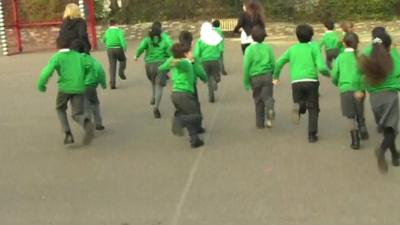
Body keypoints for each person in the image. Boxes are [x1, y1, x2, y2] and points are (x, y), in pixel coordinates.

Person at [273, 24, 329, 143]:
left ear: (297, 36)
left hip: (296, 82)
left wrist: (276, 76)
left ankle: (299, 107)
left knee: (299, 102)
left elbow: (278, 62)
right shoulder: (314, 48)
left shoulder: (292, 49)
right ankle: (312, 134)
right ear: (311, 36)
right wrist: (329, 74)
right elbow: (321, 67)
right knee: (313, 108)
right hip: (311, 81)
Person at [37, 37, 94, 145]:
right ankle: (86, 123)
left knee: (60, 108)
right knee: (77, 114)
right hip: (79, 87)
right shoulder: (78, 56)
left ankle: (67, 133)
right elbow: (89, 67)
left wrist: (41, 85)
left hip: (64, 88)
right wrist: (84, 78)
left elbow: (46, 72)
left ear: (57, 46)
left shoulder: (57, 57)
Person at [359, 28, 400, 173]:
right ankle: (382, 151)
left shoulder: (367, 55)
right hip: (390, 97)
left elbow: (359, 74)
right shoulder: (392, 57)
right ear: (388, 46)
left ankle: (395, 155)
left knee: (387, 129)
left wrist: (360, 89)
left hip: (374, 100)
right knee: (392, 130)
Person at [159, 43, 204, 148]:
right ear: (185, 54)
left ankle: (195, 139)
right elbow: (181, 64)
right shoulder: (185, 63)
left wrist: (171, 62)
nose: (192, 53)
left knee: (187, 114)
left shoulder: (179, 61)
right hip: (184, 94)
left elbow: (162, 67)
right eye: (189, 51)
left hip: (175, 94)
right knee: (197, 116)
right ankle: (180, 120)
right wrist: (176, 62)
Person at [331, 32, 369, 150]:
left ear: (344, 43)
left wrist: (338, 83)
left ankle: (355, 139)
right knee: (360, 110)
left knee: (350, 116)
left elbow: (334, 75)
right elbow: (366, 74)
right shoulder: (361, 57)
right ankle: (362, 126)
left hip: (345, 89)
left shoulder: (340, 57)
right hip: (359, 89)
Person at [135, 22, 171, 119]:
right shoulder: (164, 40)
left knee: (153, 81)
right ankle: (156, 107)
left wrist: (136, 56)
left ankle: (153, 96)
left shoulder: (147, 40)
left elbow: (141, 48)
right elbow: (169, 52)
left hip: (149, 65)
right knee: (159, 86)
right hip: (161, 64)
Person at [71, 40, 107, 131]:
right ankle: (98, 123)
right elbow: (99, 70)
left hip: (79, 86)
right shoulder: (90, 59)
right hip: (91, 86)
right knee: (95, 104)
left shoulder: (74, 61)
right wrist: (103, 83)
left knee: (84, 106)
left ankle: (87, 125)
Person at [243, 26, 275, 129]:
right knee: (268, 96)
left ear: (252, 37)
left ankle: (260, 123)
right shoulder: (268, 48)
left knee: (258, 99)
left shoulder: (249, 49)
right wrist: (274, 74)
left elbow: (246, 66)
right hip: (267, 75)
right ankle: (270, 107)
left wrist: (246, 82)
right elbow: (273, 62)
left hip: (255, 77)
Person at [178, 31, 208, 133]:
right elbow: (199, 70)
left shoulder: (176, 55)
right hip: (191, 85)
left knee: (182, 107)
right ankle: (197, 127)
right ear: (191, 42)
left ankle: (184, 122)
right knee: (195, 106)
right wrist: (205, 78)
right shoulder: (193, 56)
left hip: (178, 86)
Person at [194, 22, 223, 103]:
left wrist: (198, 60)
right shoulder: (216, 37)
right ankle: (215, 81)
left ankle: (211, 95)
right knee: (216, 75)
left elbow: (196, 54)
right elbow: (221, 49)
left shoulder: (200, 41)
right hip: (215, 60)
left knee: (208, 77)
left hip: (204, 61)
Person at [102, 19, 127, 89]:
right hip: (118, 48)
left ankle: (112, 83)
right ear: (116, 24)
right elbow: (122, 39)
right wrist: (124, 47)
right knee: (123, 60)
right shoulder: (118, 31)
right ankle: (121, 72)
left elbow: (103, 39)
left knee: (112, 65)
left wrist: (104, 42)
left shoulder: (107, 31)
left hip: (109, 49)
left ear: (109, 24)